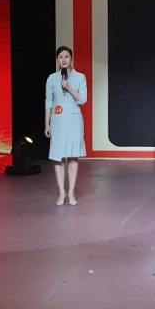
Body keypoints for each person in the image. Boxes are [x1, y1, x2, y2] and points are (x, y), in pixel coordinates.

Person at [44, 46, 88, 206]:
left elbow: (83, 99)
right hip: (58, 120)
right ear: (57, 59)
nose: (63, 59)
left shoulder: (80, 77)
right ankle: (61, 192)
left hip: (74, 120)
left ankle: (71, 192)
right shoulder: (51, 78)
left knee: (73, 156)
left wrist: (68, 87)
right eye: (60, 57)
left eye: (66, 56)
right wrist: (47, 124)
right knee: (59, 157)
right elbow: (48, 102)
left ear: (71, 59)